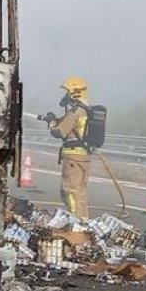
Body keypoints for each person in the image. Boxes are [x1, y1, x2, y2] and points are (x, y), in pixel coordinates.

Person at [47, 76, 91, 219]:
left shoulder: (76, 111)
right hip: (83, 156)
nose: (65, 95)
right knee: (80, 192)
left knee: (69, 191)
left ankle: (76, 223)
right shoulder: (86, 110)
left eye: (67, 92)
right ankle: (84, 223)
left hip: (73, 157)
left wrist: (52, 124)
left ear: (74, 92)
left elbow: (60, 132)